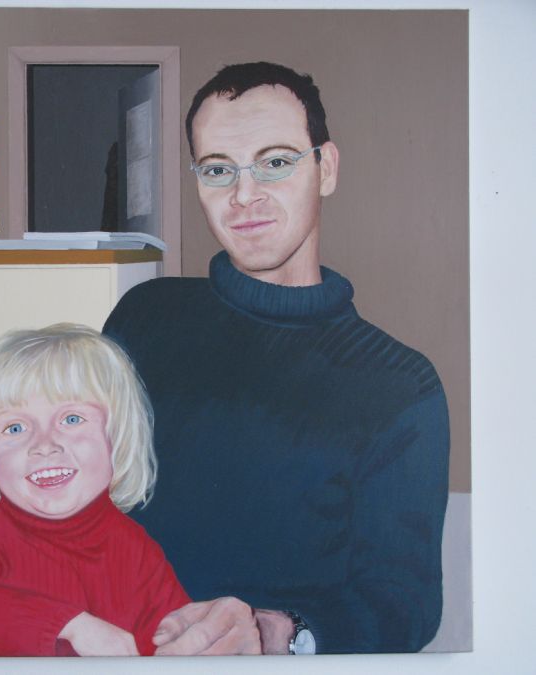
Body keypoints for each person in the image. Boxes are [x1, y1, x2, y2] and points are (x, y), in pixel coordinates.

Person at [103, 62, 450, 655]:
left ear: (326, 168)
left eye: (276, 162)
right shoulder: (144, 315)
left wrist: (276, 633)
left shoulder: (400, 382)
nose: (244, 196)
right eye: (218, 169)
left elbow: (405, 605)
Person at [0, 323, 204, 657]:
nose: (44, 445)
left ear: (116, 436)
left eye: (71, 419)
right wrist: (67, 624)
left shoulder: (136, 550)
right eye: (15, 427)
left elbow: (170, 641)